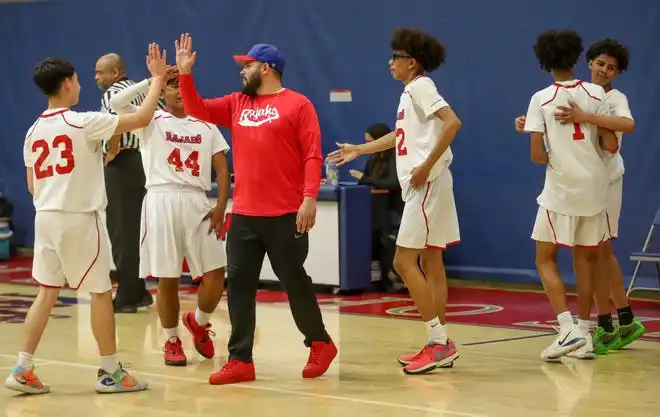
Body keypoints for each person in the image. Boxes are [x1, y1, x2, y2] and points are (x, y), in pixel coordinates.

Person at [175, 33, 336, 385]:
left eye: (247, 66)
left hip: (285, 213)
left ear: (266, 69)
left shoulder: (298, 104)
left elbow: (312, 154)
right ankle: (240, 359)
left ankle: (320, 343)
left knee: (294, 280)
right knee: (241, 286)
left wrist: (309, 196)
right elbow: (197, 109)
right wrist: (185, 75)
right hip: (245, 213)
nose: (241, 72)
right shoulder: (236, 104)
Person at [4, 44, 166, 394]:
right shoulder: (83, 121)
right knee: (101, 293)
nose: (81, 85)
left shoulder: (33, 131)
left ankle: (22, 367)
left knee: (46, 294)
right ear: (66, 84)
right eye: (77, 80)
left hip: (45, 220)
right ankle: (110, 372)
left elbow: (34, 186)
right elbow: (140, 119)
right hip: (79, 219)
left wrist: (91, 165)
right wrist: (156, 81)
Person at [328, 27, 462, 375]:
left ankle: (438, 343)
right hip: (432, 182)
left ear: (411, 62)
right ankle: (440, 342)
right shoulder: (410, 93)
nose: (390, 63)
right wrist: (360, 149)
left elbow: (453, 123)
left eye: (395, 57)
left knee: (403, 263)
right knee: (432, 263)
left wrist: (425, 166)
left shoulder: (421, 86)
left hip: (427, 182)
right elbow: (398, 136)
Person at [515, 39, 646, 355]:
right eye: (601, 64)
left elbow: (537, 156)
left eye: (611, 67)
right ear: (583, 60)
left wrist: (550, 139)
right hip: (596, 184)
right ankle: (592, 330)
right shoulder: (595, 94)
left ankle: (571, 327)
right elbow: (611, 144)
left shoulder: (544, 97)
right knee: (590, 256)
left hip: (570, 185)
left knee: (551, 257)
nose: (604, 70)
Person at [108, 61, 230, 367]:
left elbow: (222, 168)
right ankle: (171, 339)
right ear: (163, 89)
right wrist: (153, 80)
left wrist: (221, 206)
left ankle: (200, 323)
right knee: (168, 278)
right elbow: (116, 103)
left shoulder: (206, 123)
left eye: (180, 82)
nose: (177, 89)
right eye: (171, 84)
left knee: (217, 272)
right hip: (162, 198)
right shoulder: (152, 119)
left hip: (198, 201)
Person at [96, 52, 163, 313]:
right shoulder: (142, 92)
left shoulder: (114, 92)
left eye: (100, 72)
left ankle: (126, 296)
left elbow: (113, 123)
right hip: (144, 165)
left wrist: (110, 151)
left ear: (115, 72)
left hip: (122, 164)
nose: (96, 77)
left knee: (121, 233)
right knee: (133, 232)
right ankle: (138, 290)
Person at [349, 123, 405, 292]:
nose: (367, 145)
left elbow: (393, 183)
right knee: (374, 242)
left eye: (370, 142)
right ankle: (377, 278)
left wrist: (365, 178)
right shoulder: (373, 159)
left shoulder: (395, 158)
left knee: (389, 242)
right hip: (374, 209)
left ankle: (395, 278)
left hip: (393, 208)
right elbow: (365, 181)